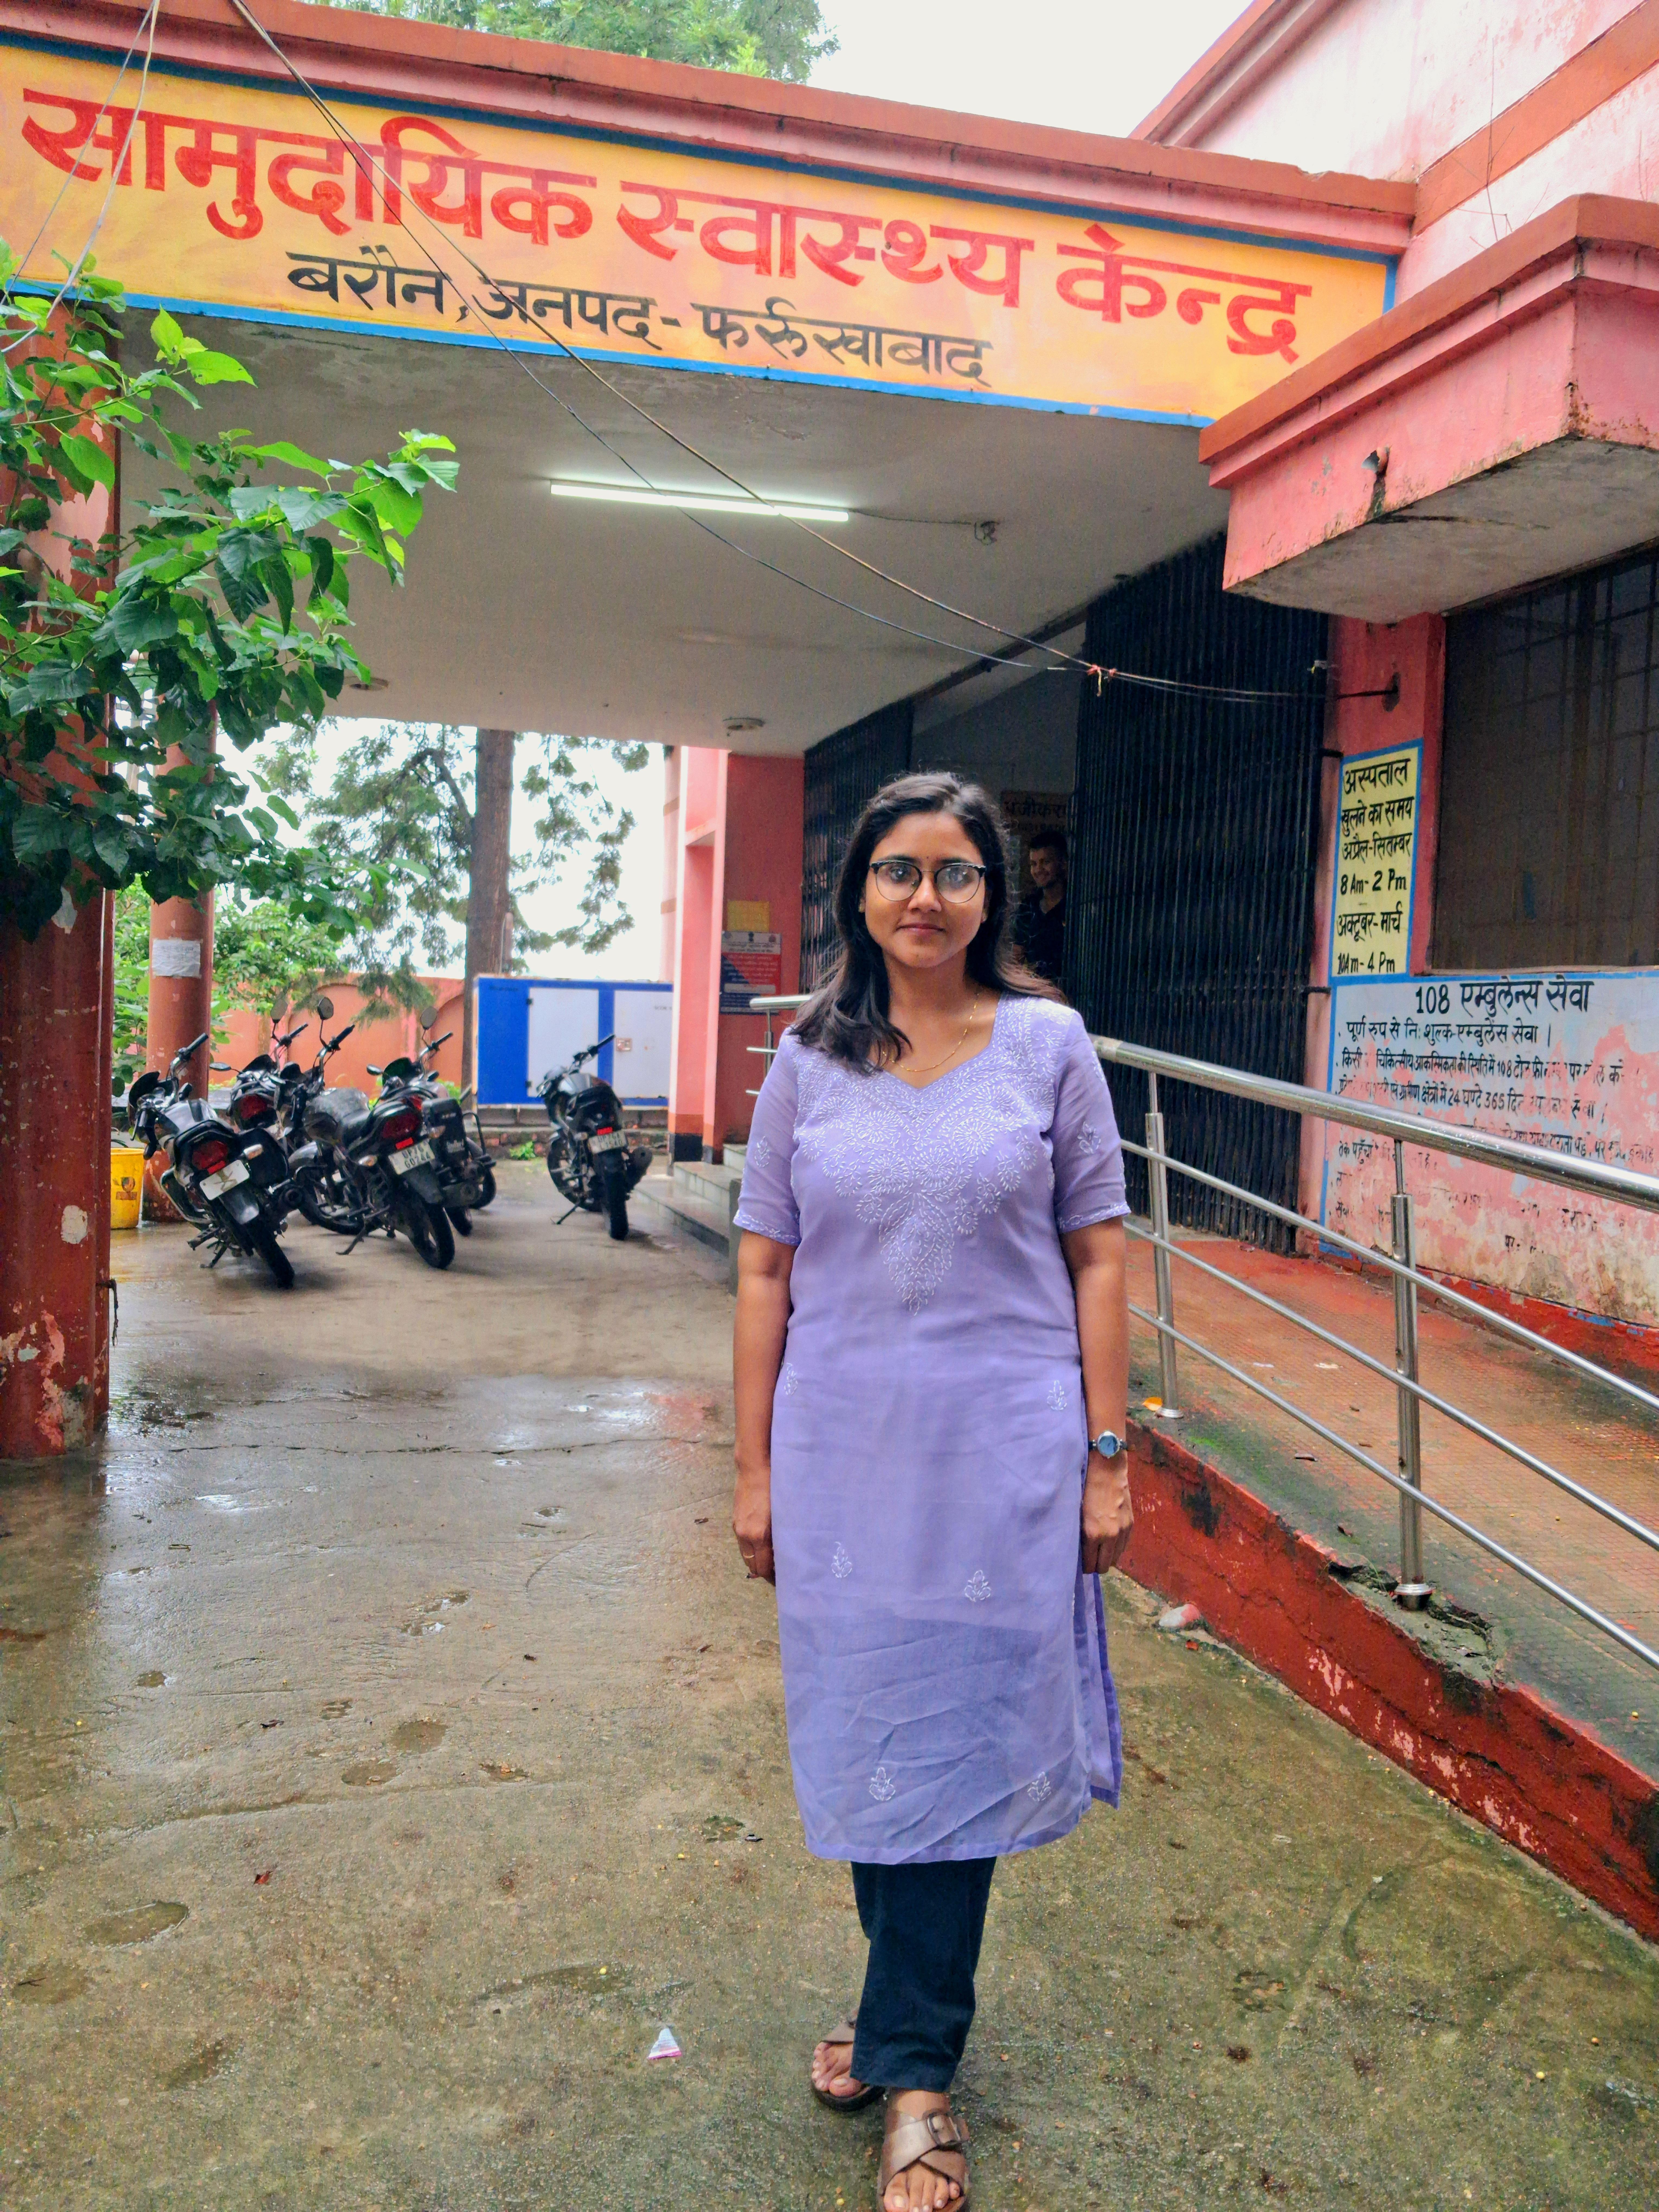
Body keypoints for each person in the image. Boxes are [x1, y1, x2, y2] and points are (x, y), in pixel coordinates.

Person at [731, 773, 1132, 2212]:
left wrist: (1106, 1455)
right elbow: (765, 1270)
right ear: (857, 891)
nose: (923, 896)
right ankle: (899, 2007)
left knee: (953, 1746)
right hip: (845, 1459)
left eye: (954, 872)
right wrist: (755, 1466)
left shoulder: (1047, 1046)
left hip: (1001, 1463)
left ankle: (916, 2074)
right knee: (867, 1736)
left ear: (990, 896)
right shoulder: (804, 1061)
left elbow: (1098, 1252)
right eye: (897, 870)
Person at [1011, 827, 1067, 984]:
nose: (1038, 870)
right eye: (1034, 864)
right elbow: (1017, 956)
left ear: (1063, 864)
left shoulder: (1075, 907)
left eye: (1046, 862)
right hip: (1037, 992)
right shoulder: (1028, 907)